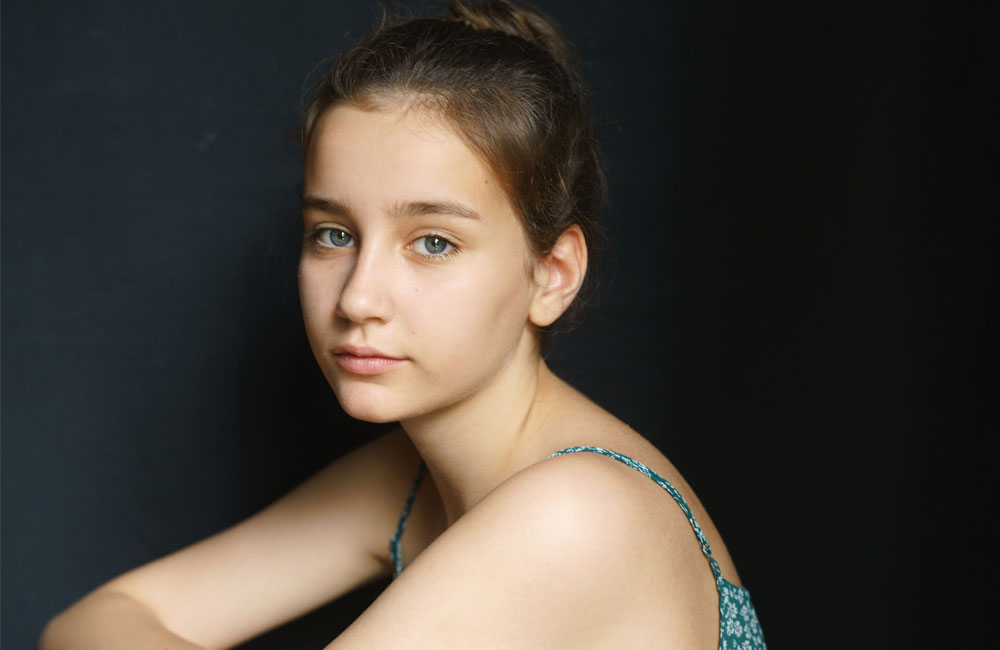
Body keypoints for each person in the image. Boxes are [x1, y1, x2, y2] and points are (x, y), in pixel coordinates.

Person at [39, 1, 766, 648]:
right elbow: (90, 621)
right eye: (334, 234)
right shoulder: (409, 478)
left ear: (552, 275)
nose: (358, 299)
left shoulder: (577, 514)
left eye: (434, 243)